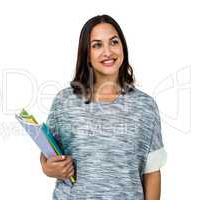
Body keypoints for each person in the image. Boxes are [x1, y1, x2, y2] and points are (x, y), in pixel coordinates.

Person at [40, 14, 167, 200]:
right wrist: (47, 168)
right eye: (97, 45)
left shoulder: (144, 106)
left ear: (122, 47)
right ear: (87, 54)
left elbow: (152, 172)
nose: (108, 52)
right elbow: (47, 152)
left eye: (114, 42)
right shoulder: (64, 101)